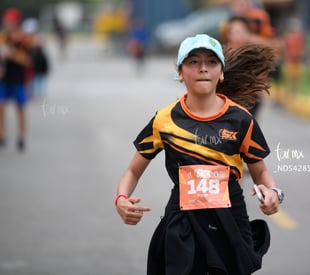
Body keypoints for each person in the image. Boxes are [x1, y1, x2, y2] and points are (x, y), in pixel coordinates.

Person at [115, 34, 284, 275]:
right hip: (183, 222)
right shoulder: (164, 119)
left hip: (230, 222)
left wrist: (273, 192)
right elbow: (132, 170)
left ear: (221, 73)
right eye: (193, 62)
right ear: (181, 73)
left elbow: (261, 172)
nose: (203, 68)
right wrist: (121, 198)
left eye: (212, 62)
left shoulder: (241, 119)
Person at [0, 8, 33, 151]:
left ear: (16, 23)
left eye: (11, 22)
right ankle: (2, 135)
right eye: (6, 22)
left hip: (19, 79)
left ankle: (21, 136)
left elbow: (29, 61)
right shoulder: (2, 38)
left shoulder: (25, 39)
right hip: (3, 79)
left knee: (20, 109)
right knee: (1, 107)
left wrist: (11, 53)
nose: (8, 24)